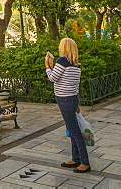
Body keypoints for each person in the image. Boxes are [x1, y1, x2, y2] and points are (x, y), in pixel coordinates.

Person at [45, 38, 90, 174]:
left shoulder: (62, 61)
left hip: (65, 100)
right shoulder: (75, 65)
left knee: (75, 132)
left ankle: (85, 162)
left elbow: (52, 78)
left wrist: (47, 65)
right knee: (72, 130)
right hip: (72, 99)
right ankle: (75, 158)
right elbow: (74, 85)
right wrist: (77, 103)